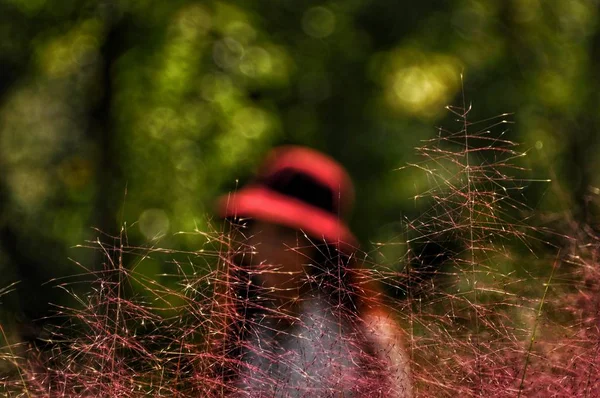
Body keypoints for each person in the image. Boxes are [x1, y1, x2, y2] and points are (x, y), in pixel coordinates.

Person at [212, 146, 412, 397]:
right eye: (257, 230)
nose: (264, 249)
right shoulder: (243, 332)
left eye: (286, 234)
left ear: (320, 250)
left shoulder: (365, 339)